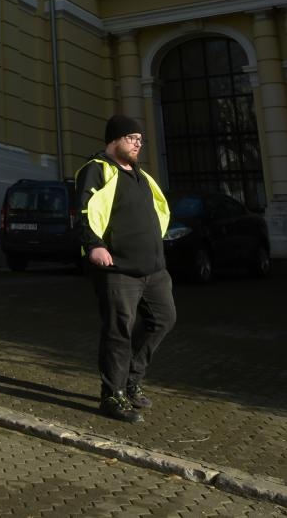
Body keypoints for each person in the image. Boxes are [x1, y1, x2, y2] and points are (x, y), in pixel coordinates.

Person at [76, 115, 176, 424]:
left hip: (153, 269)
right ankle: (112, 396)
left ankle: (131, 380)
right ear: (114, 139)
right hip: (117, 268)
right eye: (132, 138)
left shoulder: (141, 176)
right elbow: (83, 211)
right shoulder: (97, 170)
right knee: (118, 331)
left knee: (163, 319)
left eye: (140, 140)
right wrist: (94, 244)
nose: (138, 144)